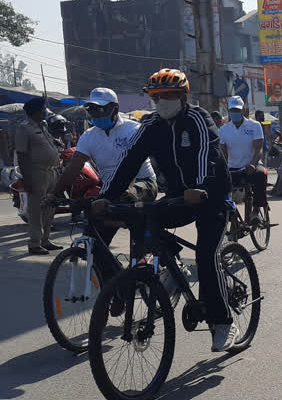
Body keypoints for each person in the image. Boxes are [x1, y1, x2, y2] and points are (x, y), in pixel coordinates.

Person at [94, 68, 237, 352]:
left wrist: (198, 187)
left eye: (170, 95)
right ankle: (173, 266)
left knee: (207, 256)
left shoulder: (198, 118)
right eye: (157, 97)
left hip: (211, 196)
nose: (162, 102)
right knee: (141, 218)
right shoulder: (150, 125)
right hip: (177, 198)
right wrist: (106, 196)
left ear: (184, 97)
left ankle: (223, 323)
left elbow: (205, 153)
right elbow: (128, 161)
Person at [50, 88, 158, 243]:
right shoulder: (88, 136)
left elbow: (132, 166)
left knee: (124, 201)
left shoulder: (133, 129)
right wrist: (54, 194)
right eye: (92, 109)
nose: (96, 114)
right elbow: (73, 168)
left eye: (101, 109)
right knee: (94, 238)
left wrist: (120, 192)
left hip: (142, 183)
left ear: (115, 108)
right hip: (112, 189)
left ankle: (131, 229)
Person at [15, 97, 63, 255]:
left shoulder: (43, 125)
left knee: (50, 207)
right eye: (42, 109)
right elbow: (21, 155)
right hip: (36, 173)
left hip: (52, 172)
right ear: (34, 112)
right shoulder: (24, 128)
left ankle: (45, 240)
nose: (45, 111)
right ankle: (34, 243)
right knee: (36, 210)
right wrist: (27, 178)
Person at [219, 96, 267, 222]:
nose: (234, 113)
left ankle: (256, 211)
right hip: (232, 168)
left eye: (237, 110)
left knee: (261, 175)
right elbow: (222, 152)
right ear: (229, 111)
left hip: (251, 165)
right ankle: (230, 217)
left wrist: (252, 164)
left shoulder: (254, 126)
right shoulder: (223, 130)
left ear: (243, 111)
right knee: (216, 184)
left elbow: (259, 149)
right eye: (232, 111)